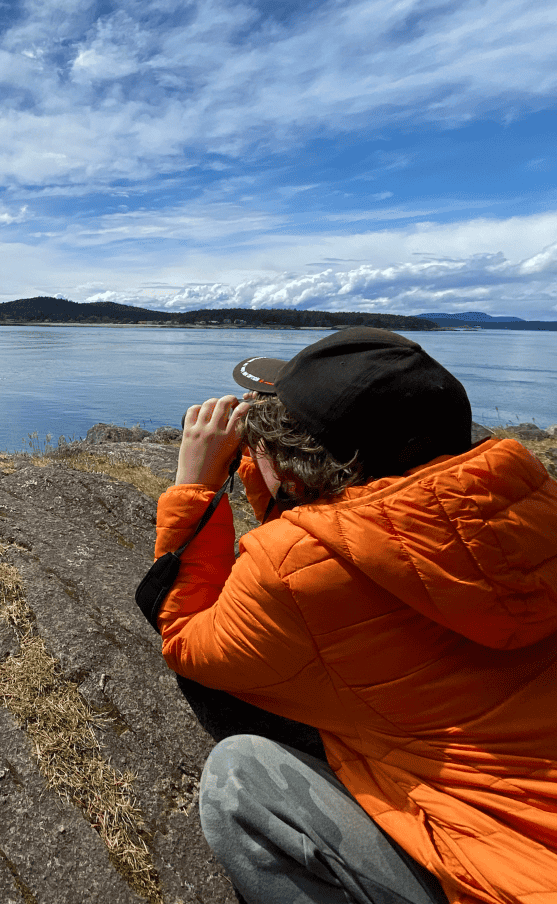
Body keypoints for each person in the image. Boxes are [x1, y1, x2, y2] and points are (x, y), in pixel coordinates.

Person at [136, 327, 557, 904]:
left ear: (296, 465)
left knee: (238, 777)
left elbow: (186, 639)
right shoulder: (526, 509)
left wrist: (195, 488)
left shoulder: (296, 569)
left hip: (500, 876)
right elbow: (365, 534)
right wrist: (283, 483)